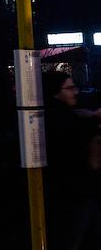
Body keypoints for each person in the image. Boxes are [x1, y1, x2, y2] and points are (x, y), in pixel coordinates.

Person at [43, 70, 99, 249]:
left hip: (77, 191)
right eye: (69, 88)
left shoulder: (65, 115)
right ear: (55, 92)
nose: (75, 92)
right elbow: (73, 140)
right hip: (73, 193)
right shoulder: (59, 119)